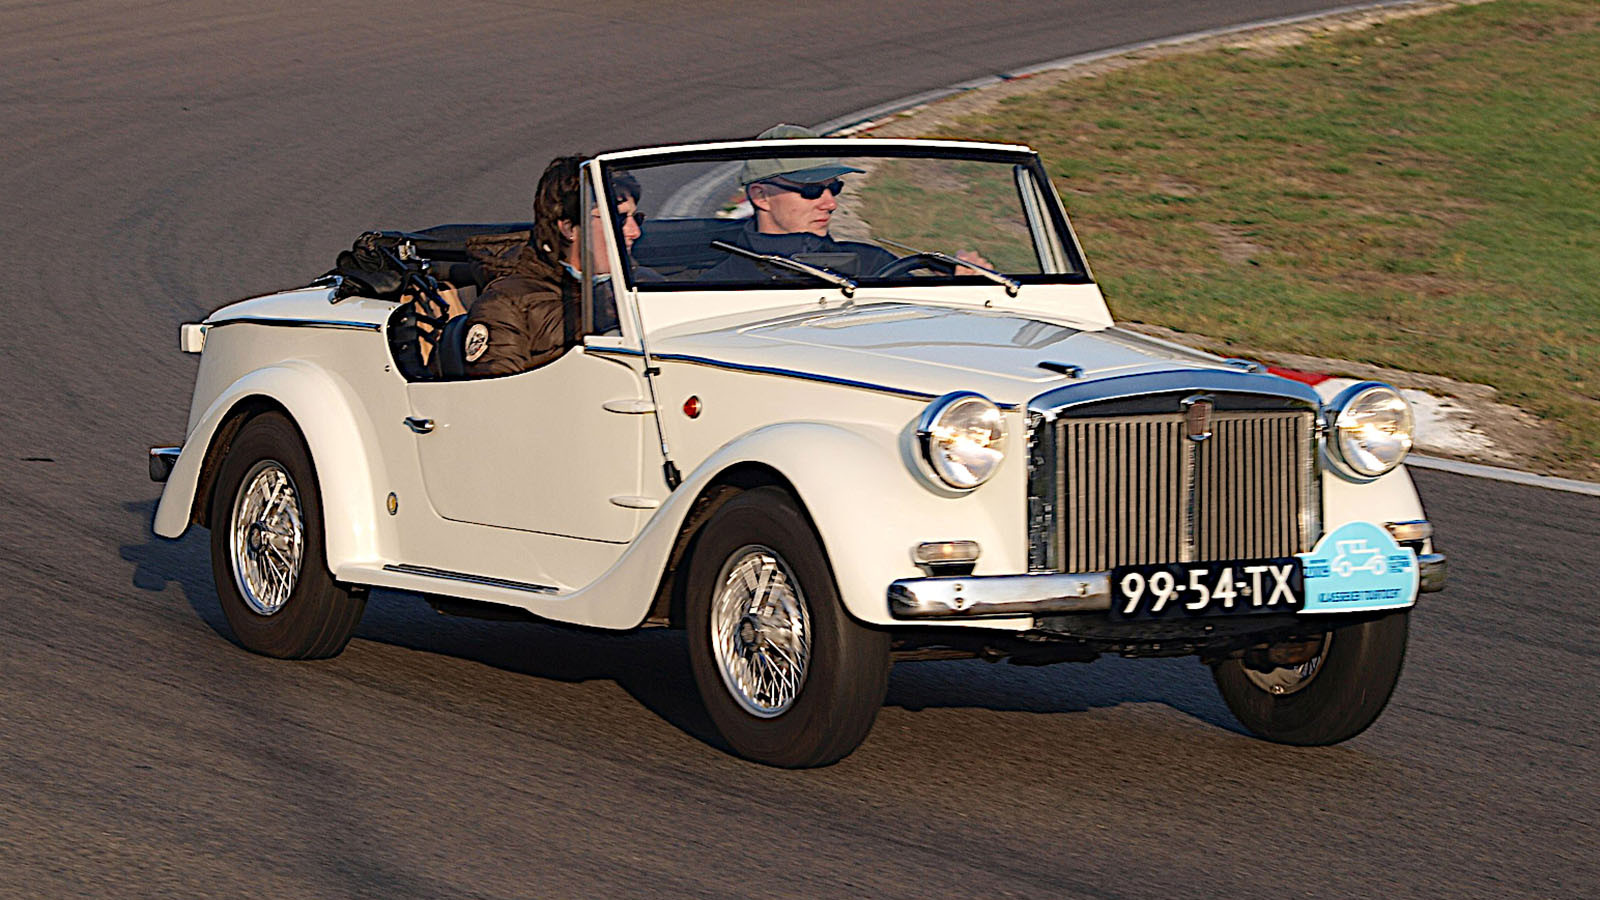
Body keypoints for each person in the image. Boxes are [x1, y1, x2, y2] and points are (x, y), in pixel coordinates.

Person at [460, 156, 643, 377]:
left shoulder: (647, 283)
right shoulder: (506, 305)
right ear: (570, 229)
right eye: (619, 219)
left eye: (636, 218)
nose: (634, 232)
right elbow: (495, 390)